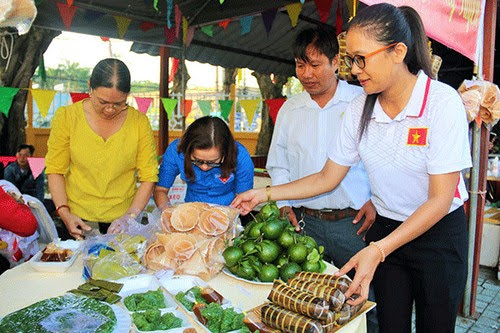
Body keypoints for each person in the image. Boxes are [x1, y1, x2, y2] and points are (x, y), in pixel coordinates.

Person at [232, 3, 471, 333]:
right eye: (351, 59)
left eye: (362, 58)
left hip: (437, 234)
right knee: (390, 324)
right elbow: (328, 176)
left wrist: (377, 250)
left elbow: (439, 200)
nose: (355, 69)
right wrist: (265, 194)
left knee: (435, 325)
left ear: (398, 51)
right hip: (386, 230)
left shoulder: (441, 103)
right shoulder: (361, 106)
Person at [267, 25, 375, 269]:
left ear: (335, 62)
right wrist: (283, 204)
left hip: (354, 223)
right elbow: (278, 163)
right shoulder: (290, 109)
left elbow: (380, 160)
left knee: (359, 294)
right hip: (305, 223)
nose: (306, 74)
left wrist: (376, 200)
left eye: (315, 65)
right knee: (309, 296)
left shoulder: (361, 102)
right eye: (300, 65)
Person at [45, 58, 158, 239]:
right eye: (103, 102)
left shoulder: (139, 123)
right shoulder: (67, 117)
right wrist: (64, 213)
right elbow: (55, 170)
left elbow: (149, 176)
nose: (110, 110)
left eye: (119, 103)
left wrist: (129, 217)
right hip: (77, 219)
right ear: (90, 87)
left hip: (123, 222)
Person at [154, 116, 254, 208]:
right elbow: (160, 190)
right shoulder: (176, 151)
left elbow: (242, 198)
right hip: (191, 210)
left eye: (213, 162)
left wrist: (225, 218)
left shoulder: (240, 156)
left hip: (227, 211)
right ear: (187, 151)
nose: (204, 167)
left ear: (225, 153)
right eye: (197, 161)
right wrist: (167, 213)